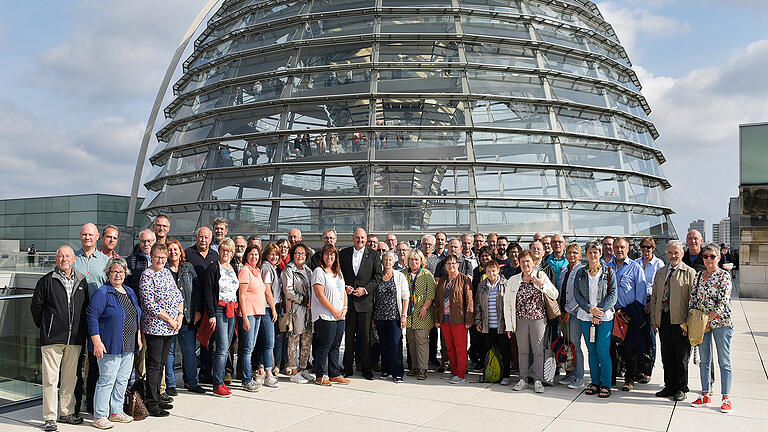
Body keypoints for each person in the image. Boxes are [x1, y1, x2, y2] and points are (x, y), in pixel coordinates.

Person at [31, 246, 89, 432]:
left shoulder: (82, 281)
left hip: (75, 338)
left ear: (74, 259)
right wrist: (48, 327)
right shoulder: (46, 281)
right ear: (56, 259)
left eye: (68, 256)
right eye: (61, 256)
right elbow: (36, 309)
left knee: (70, 377)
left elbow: (85, 307)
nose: (64, 259)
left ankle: (66, 412)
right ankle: (49, 417)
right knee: (50, 379)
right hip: (52, 338)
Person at [87, 257, 142, 428]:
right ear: (108, 273)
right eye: (114, 272)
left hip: (128, 344)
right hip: (109, 344)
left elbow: (136, 314)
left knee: (122, 379)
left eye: (120, 272)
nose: (117, 275)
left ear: (126, 273)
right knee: (107, 380)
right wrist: (96, 341)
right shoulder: (103, 292)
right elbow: (91, 316)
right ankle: (100, 416)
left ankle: (116, 411)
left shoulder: (129, 291)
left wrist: (138, 336)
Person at [139, 243, 183, 417]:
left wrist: (179, 315)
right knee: (154, 365)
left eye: (163, 258)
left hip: (171, 328)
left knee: (162, 364)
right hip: (156, 328)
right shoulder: (147, 275)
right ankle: (151, 402)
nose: (160, 260)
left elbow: (178, 295)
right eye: (157, 257)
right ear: (151, 256)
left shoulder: (166, 272)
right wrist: (170, 319)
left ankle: (157, 397)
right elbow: (149, 304)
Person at [504, 250, 558, 393]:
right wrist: (509, 326)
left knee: (538, 350)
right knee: (522, 351)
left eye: (528, 261)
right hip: (520, 319)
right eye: (522, 261)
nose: (525, 264)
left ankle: (538, 380)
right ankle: (523, 380)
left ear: (533, 263)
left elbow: (555, 294)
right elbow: (507, 304)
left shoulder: (541, 276)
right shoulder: (514, 280)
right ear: (519, 264)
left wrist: (541, 285)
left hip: (538, 320)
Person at [689, 243, 734, 413]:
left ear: (719, 257)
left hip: (721, 324)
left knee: (724, 361)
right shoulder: (699, 276)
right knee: (704, 360)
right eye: (706, 256)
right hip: (702, 324)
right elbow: (693, 299)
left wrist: (708, 319)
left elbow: (723, 302)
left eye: (712, 256)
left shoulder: (724, 276)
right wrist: (692, 321)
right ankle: (705, 394)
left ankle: (726, 397)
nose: (708, 259)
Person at [650, 241, 696, 402]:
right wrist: (654, 319)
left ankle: (681, 388)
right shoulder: (661, 272)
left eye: (676, 252)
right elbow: (655, 297)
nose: (673, 256)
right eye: (670, 253)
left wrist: (689, 324)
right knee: (667, 355)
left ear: (682, 253)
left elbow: (693, 302)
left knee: (681, 356)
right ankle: (669, 385)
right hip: (664, 320)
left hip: (681, 322)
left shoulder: (690, 273)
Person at [73, 223, 110, 414]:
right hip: (77, 319)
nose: (87, 237)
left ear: (97, 237)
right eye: (84, 234)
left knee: (96, 363)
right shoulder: (72, 259)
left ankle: (93, 403)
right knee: (75, 363)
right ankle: (75, 403)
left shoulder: (105, 261)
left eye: (91, 234)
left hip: (98, 320)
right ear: (81, 236)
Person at [574, 241, 617, 399]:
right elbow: (577, 294)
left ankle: (606, 384)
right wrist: (589, 309)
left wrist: (598, 312)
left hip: (604, 318)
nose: (593, 255)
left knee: (603, 351)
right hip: (585, 317)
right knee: (592, 351)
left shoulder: (608, 272)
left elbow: (613, 295)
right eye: (590, 252)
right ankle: (595, 382)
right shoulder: (581, 273)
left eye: (595, 252)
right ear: (586, 254)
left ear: (600, 254)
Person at [339, 228, 382, 380]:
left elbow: (378, 277)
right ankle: (347, 366)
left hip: (365, 302)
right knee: (349, 336)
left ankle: (366, 367)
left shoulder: (374, 255)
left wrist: (365, 290)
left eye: (362, 238)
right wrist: (344, 286)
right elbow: (338, 274)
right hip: (348, 302)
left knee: (365, 337)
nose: (360, 240)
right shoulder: (343, 253)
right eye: (357, 237)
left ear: (366, 239)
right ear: (353, 238)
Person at [164, 239, 205, 395]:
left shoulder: (188, 267)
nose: (173, 252)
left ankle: (192, 382)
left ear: (181, 251)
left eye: (176, 249)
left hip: (187, 317)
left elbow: (197, 290)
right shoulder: (163, 269)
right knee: (170, 352)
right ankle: (171, 384)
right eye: (170, 249)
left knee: (189, 350)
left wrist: (197, 311)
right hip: (169, 319)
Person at [608, 237, 648, 391]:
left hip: (629, 314)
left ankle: (629, 380)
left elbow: (641, 294)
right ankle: (610, 379)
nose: (619, 250)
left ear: (628, 248)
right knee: (610, 348)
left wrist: (632, 313)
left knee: (630, 349)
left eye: (622, 247)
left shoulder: (635, 268)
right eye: (616, 247)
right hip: (611, 315)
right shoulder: (607, 267)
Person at [203, 238, 239, 397]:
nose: (226, 253)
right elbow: (208, 292)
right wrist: (211, 314)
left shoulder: (233, 268)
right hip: (219, 309)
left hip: (232, 309)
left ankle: (222, 380)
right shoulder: (213, 267)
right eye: (223, 250)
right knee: (222, 347)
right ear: (220, 251)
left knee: (228, 347)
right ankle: (217, 383)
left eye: (229, 251)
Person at [311, 244, 351, 386]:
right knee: (325, 345)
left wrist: (344, 309)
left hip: (340, 316)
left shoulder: (338, 273)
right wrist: (333, 310)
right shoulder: (319, 272)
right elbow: (320, 295)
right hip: (325, 316)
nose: (330, 257)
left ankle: (334, 374)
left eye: (333, 254)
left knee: (335, 345)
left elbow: (344, 292)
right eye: (327, 254)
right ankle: (320, 375)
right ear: (322, 256)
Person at [185, 227, 219, 384]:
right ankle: (189, 376)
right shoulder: (188, 253)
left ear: (211, 239)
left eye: (206, 237)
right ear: (196, 237)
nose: (203, 240)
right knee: (190, 344)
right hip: (192, 305)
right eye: (200, 237)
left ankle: (205, 373)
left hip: (210, 306)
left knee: (208, 342)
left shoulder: (215, 255)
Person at [434, 254, 474, 384]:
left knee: (460, 347)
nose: (451, 266)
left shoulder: (464, 279)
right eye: (448, 264)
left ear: (458, 264)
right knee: (449, 347)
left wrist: (469, 319)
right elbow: (438, 300)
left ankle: (460, 373)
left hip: (459, 319)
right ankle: (454, 371)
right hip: (445, 319)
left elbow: (469, 300)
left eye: (453, 263)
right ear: (445, 266)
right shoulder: (443, 279)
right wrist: (437, 318)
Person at [282, 243, 315, 383]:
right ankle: (294, 370)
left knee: (307, 340)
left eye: (303, 253)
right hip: (296, 309)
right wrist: (303, 300)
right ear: (292, 255)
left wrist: (312, 300)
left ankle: (303, 368)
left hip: (309, 310)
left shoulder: (308, 270)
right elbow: (288, 291)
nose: (300, 256)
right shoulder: (289, 270)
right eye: (297, 253)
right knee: (294, 340)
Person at [237, 243, 268, 392]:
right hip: (249, 313)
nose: (254, 257)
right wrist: (245, 317)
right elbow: (241, 296)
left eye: (256, 254)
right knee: (247, 348)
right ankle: (246, 379)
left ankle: (248, 377)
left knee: (251, 347)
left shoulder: (256, 271)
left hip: (258, 313)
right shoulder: (245, 271)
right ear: (246, 256)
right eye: (251, 254)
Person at [475, 261, 511, 385]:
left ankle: (505, 375)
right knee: (487, 351)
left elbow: (509, 305)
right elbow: (478, 305)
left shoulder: (505, 284)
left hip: (502, 326)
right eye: (489, 271)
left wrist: (509, 325)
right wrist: (478, 321)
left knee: (504, 351)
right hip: (487, 325)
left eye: (494, 270)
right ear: (486, 271)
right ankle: (490, 373)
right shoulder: (481, 286)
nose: (491, 273)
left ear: (498, 271)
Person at [375, 252, 409, 382]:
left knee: (395, 344)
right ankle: (385, 370)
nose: (387, 262)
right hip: (379, 317)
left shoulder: (399, 276)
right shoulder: (378, 276)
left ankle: (397, 372)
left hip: (395, 317)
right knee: (383, 345)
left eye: (390, 259)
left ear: (394, 262)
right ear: (382, 261)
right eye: (385, 259)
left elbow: (405, 297)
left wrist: (404, 316)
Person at [404, 250, 436, 380]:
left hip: (422, 313)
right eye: (411, 259)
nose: (414, 262)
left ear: (421, 261)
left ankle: (423, 369)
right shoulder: (403, 274)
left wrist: (424, 308)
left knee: (421, 341)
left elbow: (431, 294)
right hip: (408, 315)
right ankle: (415, 367)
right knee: (411, 341)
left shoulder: (426, 274)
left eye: (416, 260)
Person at [636, 236, 664, 381]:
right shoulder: (636, 263)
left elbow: (661, 287)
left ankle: (648, 370)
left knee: (650, 337)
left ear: (653, 248)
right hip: (637, 304)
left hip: (651, 303)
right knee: (637, 337)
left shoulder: (659, 264)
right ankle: (638, 369)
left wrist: (651, 304)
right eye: (643, 247)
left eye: (649, 247)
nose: (646, 250)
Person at [558, 242, 586, 389]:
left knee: (575, 345)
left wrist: (568, 311)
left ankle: (579, 377)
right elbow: (561, 292)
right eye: (569, 253)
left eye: (575, 253)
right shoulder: (564, 271)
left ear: (580, 255)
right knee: (567, 344)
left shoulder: (581, 271)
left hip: (575, 313)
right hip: (563, 313)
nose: (572, 255)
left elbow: (579, 294)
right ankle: (570, 373)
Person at [254, 243, 279, 387]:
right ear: (266, 255)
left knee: (265, 342)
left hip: (269, 308)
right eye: (272, 254)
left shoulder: (271, 268)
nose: (274, 257)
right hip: (267, 308)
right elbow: (267, 290)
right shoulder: (266, 268)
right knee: (269, 342)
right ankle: (267, 373)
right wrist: (274, 309)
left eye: (276, 254)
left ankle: (261, 370)